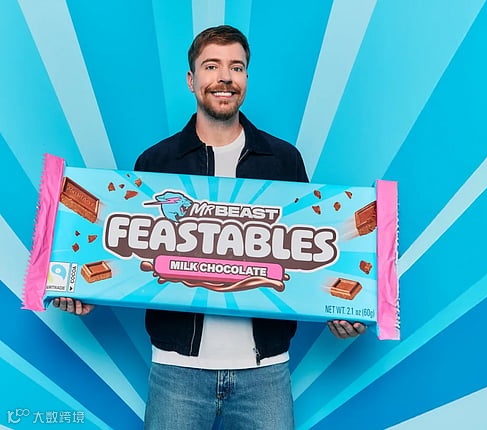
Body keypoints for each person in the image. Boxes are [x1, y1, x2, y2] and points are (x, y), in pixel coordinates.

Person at [53, 25, 366, 429]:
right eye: (212, 66)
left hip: (266, 374)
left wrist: (343, 313)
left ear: (246, 78)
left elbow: (308, 254)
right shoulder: (156, 163)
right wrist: (82, 288)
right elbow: (128, 251)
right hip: (176, 373)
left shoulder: (284, 161)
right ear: (191, 79)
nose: (225, 77)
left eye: (236, 67)